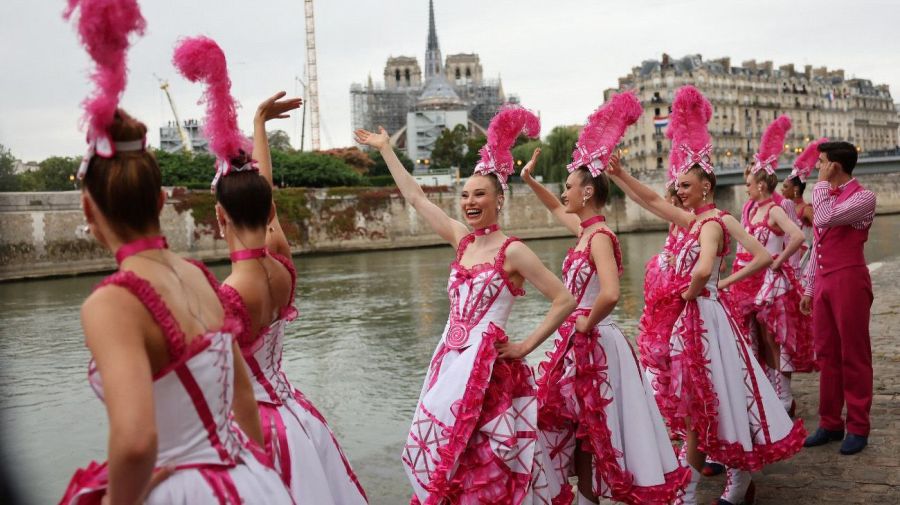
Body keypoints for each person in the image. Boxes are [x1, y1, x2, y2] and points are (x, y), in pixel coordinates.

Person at [60, 3, 291, 503]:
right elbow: (243, 396)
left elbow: (137, 441)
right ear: (162, 200)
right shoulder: (197, 275)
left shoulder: (112, 302)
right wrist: (259, 478)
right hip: (248, 473)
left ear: (88, 208)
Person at [173, 35, 368, 503]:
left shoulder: (227, 293)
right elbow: (265, 190)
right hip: (298, 419)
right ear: (267, 209)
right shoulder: (281, 261)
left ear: (219, 217)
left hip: (259, 429)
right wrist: (257, 124)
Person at [356, 105, 575, 504]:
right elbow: (416, 197)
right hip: (449, 362)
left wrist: (526, 345)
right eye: (464, 195)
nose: (469, 202)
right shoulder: (462, 240)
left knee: (489, 458)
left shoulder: (515, 252)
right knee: (446, 453)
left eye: (479, 195)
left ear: (499, 200)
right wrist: (387, 148)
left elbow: (564, 299)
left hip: (490, 372)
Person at [607, 85, 805, 505]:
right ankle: (730, 479)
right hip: (695, 317)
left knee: (714, 398)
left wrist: (705, 287)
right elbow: (651, 202)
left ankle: (712, 484)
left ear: (705, 187)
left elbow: (722, 263)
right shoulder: (692, 221)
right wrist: (620, 175)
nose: (677, 191)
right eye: (678, 185)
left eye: (683, 184)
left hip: (704, 319)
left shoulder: (715, 222)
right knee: (706, 400)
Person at [523, 92, 689, 505]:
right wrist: (528, 180)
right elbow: (552, 208)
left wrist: (584, 322)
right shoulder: (584, 232)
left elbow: (612, 293)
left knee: (602, 423)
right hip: (578, 339)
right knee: (580, 423)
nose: (563, 193)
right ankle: (587, 497)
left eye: (568, 186)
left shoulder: (600, 236)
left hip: (595, 339)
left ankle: (598, 495)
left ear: (586, 193)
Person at [727, 116, 814, 417]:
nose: (745, 187)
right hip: (749, 282)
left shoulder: (775, 209)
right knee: (755, 338)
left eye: (749, 183)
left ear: (761, 184)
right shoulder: (750, 209)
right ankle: (764, 389)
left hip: (770, 284)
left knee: (775, 337)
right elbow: (742, 245)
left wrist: (777, 260)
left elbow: (799, 235)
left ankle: (784, 395)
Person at [800, 141, 876, 456]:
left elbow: (824, 219)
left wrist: (819, 185)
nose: (818, 167)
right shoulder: (828, 196)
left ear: (836, 165)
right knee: (827, 354)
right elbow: (817, 246)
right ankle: (830, 422)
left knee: (854, 354)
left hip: (849, 279)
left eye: (822, 163)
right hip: (826, 282)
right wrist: (809, 288)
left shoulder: (864, 197)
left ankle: (858, 425)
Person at [782, 138, 827, 288]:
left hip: (804, 262)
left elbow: (822, 232)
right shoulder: (783, 208)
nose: (782, 190)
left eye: (785, 186)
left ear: (795, 190)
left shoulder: (806, 209)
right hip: (788, 258)